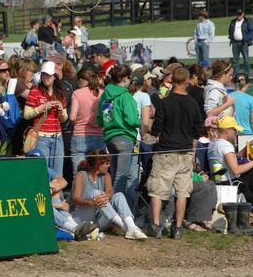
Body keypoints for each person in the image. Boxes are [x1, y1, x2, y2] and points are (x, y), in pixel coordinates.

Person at [145, 66, 203, 240]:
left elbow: (156, 129)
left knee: (157, 189)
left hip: (165, 151)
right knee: (182, 192)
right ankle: (177, 228)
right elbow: (197, 131)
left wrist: (152, 131)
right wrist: (192, 153)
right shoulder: (193, 103)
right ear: (187, 81)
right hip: (185, 152)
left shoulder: (165, 102)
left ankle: (155, 226)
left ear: (171, 81)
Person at [207, 116, 253, 231]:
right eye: (234, 129)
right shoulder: (226, 145)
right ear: (227, 130)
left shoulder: (213, 144)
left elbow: (233, 158)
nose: (236, 132)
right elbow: (236, 170)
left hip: (221, 181)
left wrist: (248, 147)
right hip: (233, 185)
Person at [72, 150, 147, 240]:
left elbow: (110, 192)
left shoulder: (106, 175)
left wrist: (104, 197)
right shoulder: (81, 175)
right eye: (107, 163)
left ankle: (131, 227)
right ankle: (125, 228)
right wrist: (91, 203)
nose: (109, 165)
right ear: (97, 164)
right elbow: (75, 199)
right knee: (95, 193)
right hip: (83, 218)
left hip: (98, 220)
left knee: (118, 195)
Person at [97, 65, 139, 202]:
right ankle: (118, 211)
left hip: (110, 137)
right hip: (124, 138)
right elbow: (131, 119)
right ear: (126, 79)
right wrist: (139, 120)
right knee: (121, 178)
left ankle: (115, 209)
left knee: (115, 175)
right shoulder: (125, 96)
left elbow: (102, 119)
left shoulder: (105, 95)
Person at [24, 61, 67, 176]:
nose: (46, 77)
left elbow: (64, 119)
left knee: (58, 175)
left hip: (57, 137)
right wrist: (42, 107)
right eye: (44, 74)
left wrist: (61, 110)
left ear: (54, 77)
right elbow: (26, 114)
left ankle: (57, 194)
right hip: (41, 137)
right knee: (43, 173)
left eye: (49, 75)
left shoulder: (60, 93)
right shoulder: (34, 92)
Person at [69, 68, 104, 175]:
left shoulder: (77, 93)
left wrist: (76, 123)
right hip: (99, 135)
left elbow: (72, 117)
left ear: (81, 80)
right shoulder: (103, 93)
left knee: (79, 174)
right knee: (97, 173)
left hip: (80, 134)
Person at [228, 9, 253, 75]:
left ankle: (246, 74)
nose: (238, 16)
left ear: (243, 14)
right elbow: (230, 30)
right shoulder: (233, 22)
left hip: (243, 43)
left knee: (246, 59)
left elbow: (251, 32)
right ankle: (236, 74)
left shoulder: (247, 21)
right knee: (235, 60)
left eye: (240, 14)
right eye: (237, 14)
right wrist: (231, 37)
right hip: (235, 43)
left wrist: (246, 39)